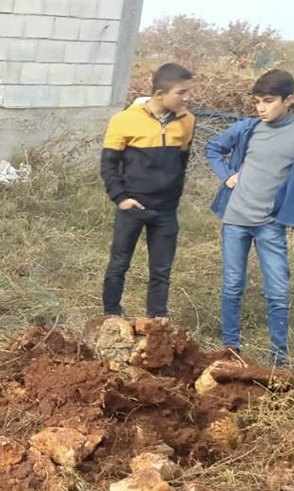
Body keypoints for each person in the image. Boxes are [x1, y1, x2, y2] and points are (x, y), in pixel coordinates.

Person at [204, 69, 294, 365]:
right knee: (232, 285)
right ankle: (231, 349)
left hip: (270, 223)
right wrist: (227, 175)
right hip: (235, 219)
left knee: (278, 291)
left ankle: (278, 359)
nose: (260, 108)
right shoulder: (247, 128)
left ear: (289, 100)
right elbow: (213, 148)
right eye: (257, 101)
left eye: (268, 101)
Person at [99, 63, 196, 319]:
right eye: (182, 92)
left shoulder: (187, 120)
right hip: (133, 207)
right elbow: (108, 165)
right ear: (160, 94)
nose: (187, 98)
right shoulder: (124, 120)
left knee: (161, 270)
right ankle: (111, 315)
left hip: (166, 210)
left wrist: (173, 195)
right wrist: (120, 198)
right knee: (119, 263)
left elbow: (182, 161)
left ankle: (157, 319)